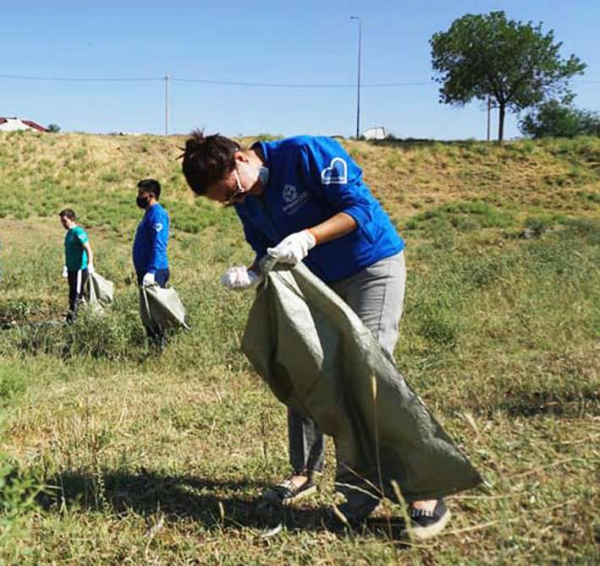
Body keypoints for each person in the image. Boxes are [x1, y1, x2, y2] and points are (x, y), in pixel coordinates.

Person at [181, 132, 449, 538]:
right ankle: (323, 480)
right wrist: (252, 273)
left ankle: (425, 489)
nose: (236, 202)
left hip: (370, 266)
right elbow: (266, 248)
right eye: (226, 202)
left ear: (240, 158)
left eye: (233, 192)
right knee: (303, 363)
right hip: (318, 282)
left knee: (369, 371)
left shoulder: (306, 153)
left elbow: (359, 208)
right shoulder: (247, 199)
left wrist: (309, 236)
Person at [132, 178, 171, 349]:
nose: (139, 197)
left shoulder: (157, 214)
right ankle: (154, 346)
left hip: (154, 271)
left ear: (151, 195)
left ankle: (159, 348)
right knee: (148, 313)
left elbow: (159, 244)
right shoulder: (148, 213)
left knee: (155, 313)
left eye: (141, 193)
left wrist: (152, 270)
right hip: (144, 270)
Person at [59, 209, 94, 324]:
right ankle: (79, 316)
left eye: (65, 221)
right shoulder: (68, 233)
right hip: (71, 269)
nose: (63, 224)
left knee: (76, 294)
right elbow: (68, 252)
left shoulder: (79, 232)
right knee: (72, 293)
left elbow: (88, 248)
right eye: (62, 221)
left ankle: (73, 320)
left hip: (79, 268)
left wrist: (90, 264)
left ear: (72, 219)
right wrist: (65, 266)